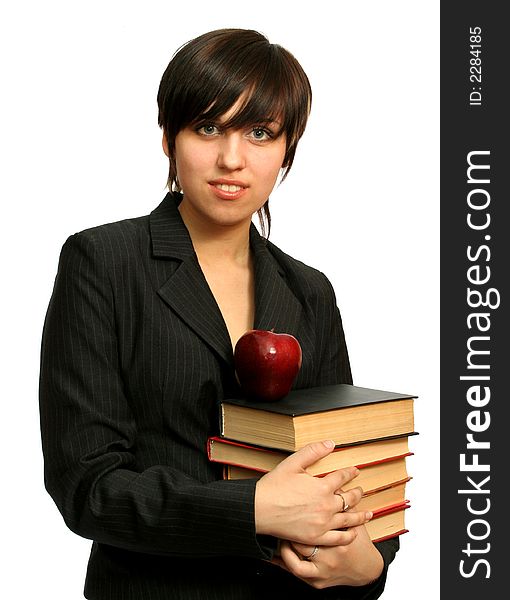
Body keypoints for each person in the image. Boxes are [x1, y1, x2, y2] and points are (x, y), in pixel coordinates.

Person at [39, 28, 399, 599]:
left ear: (288, 147)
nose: (232, 159)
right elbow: (87, 485)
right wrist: (254, 508)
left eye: (260, 133)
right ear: (168, 137)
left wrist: (369, 564)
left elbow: (347, 462)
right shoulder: (103, 262)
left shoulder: (310, 291)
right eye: (208, 128)